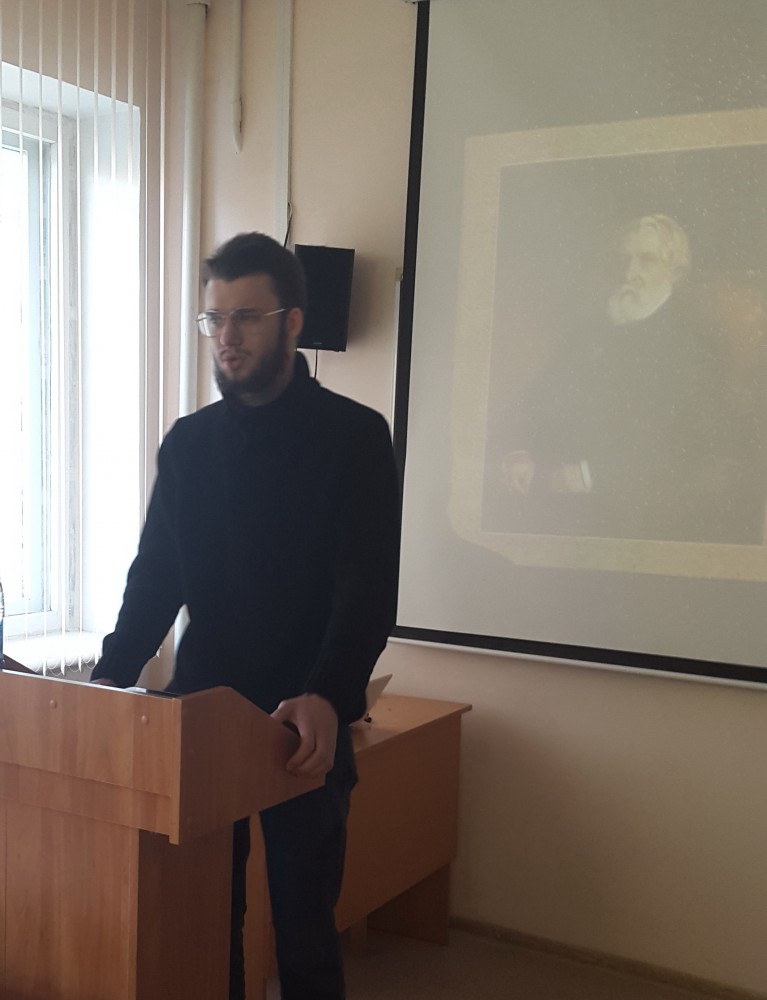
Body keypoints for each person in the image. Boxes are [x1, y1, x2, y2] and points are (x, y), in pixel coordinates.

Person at [90, 232, 401, 999]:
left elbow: (366, 589)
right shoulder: (189, 445)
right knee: (203, 922)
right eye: (214, 318)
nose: (225, 336)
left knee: (303, 931)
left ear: (292, 322)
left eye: (246, 317)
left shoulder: (355, 436)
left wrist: (328, 694)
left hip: (304, 725)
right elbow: (155, 580)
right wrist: (106, 681)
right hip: (198, 722)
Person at [498, 213, 746, 542]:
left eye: (647, 260)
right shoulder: (591, 331)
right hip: (558, 509)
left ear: (675, 273)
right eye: (626, 260)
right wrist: (519, 452)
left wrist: (588, 476)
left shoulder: (696, 347)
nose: (631, 273)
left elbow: (689, 448)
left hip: (643, 521)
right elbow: (537, 397)